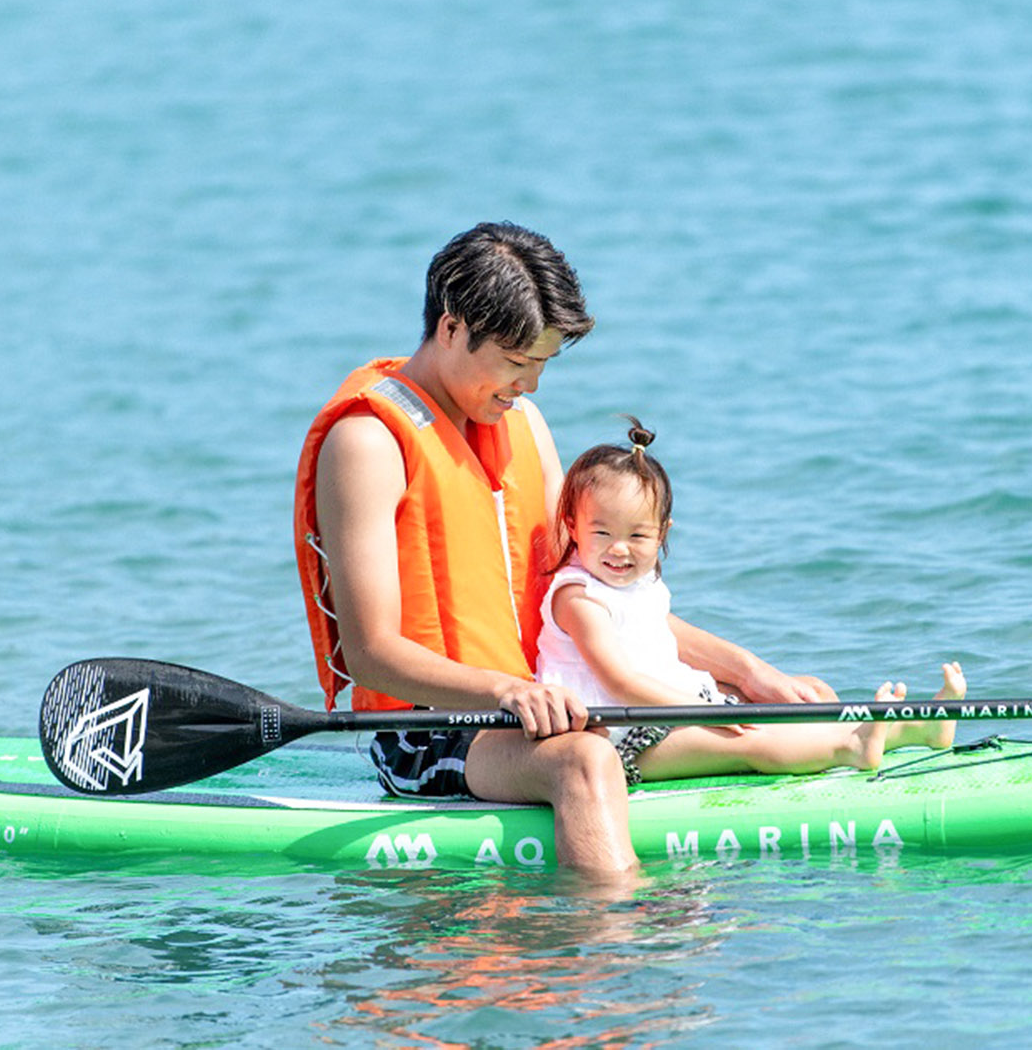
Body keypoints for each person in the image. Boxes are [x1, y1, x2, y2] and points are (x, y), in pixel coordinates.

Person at [293, 222, 830, 876]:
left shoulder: (523, 424)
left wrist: (746, 671)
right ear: (454, 328)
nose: (532, 386)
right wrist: (505, 689)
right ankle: (611, 944)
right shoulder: (367, 443)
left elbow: (598, 601)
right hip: (431, 728)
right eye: (517, 364)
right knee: (585, 760)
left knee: (742, 701)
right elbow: (371, 653)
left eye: (542, 364)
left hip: (544, 698)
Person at [537, 417, 969, 786]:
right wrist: (703, 712)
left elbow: (658, 635)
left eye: (637, 535)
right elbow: (620, 683)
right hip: (621, 736)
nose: (619, 550)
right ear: (573, 526)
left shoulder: (638, 584)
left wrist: (736, 685)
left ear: (663, 533)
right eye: (602, 533)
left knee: (805, 696)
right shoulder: (579, 597)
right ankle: (851, 747)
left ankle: (917, 728)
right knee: (751, 742)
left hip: (670, 710)